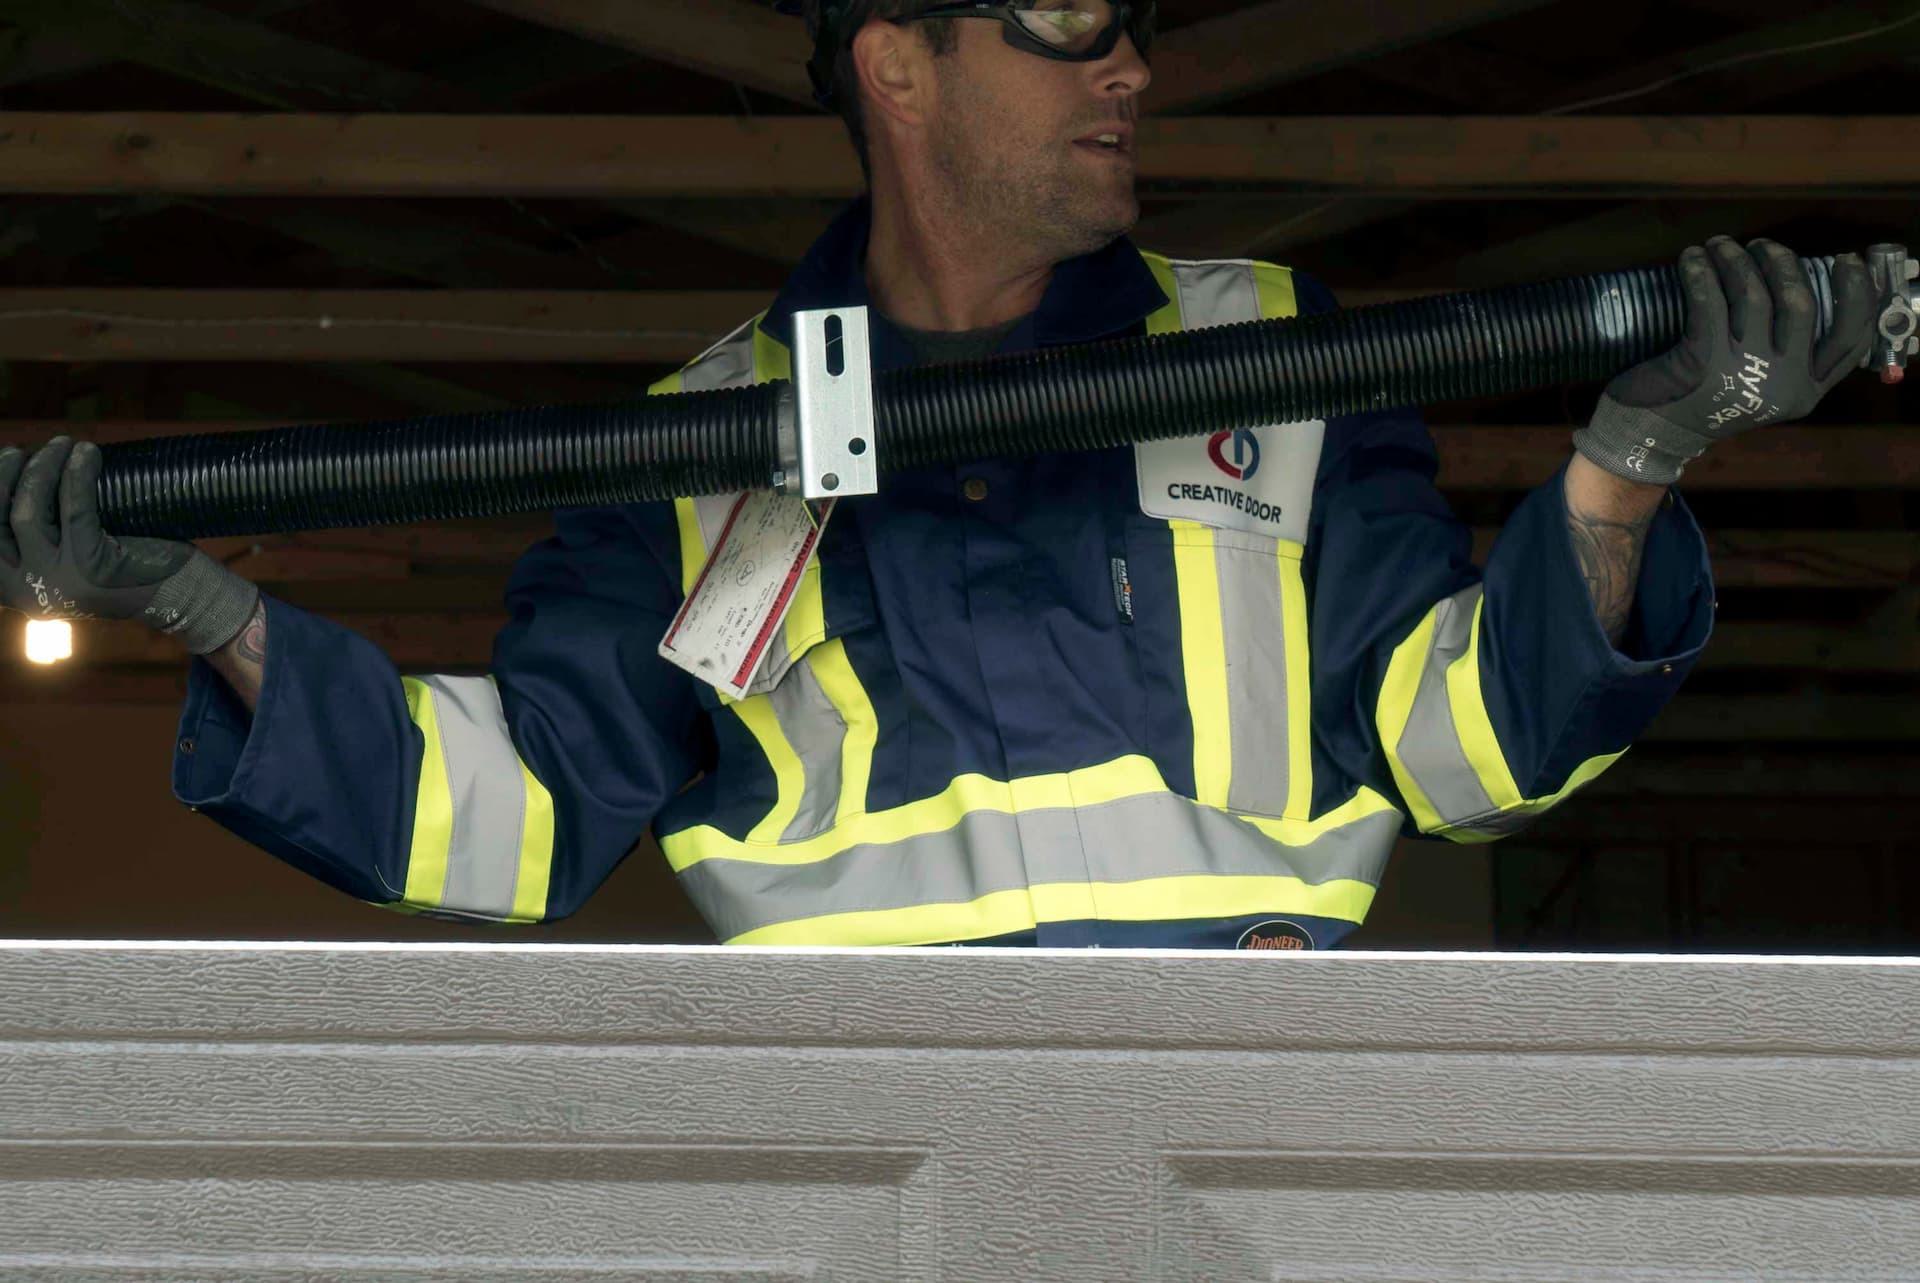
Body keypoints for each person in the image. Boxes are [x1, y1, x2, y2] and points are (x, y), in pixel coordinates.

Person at [0, 0, 1877, 948]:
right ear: (897, 64)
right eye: (1067, 17)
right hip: (872, 1169)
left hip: (1241, 1134)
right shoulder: (699, 438)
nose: (1132, 63)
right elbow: (518, 820)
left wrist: (1631, 460)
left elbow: (1466, 750)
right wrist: (206, 611)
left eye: (1132, 21)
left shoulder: (1272, 350)